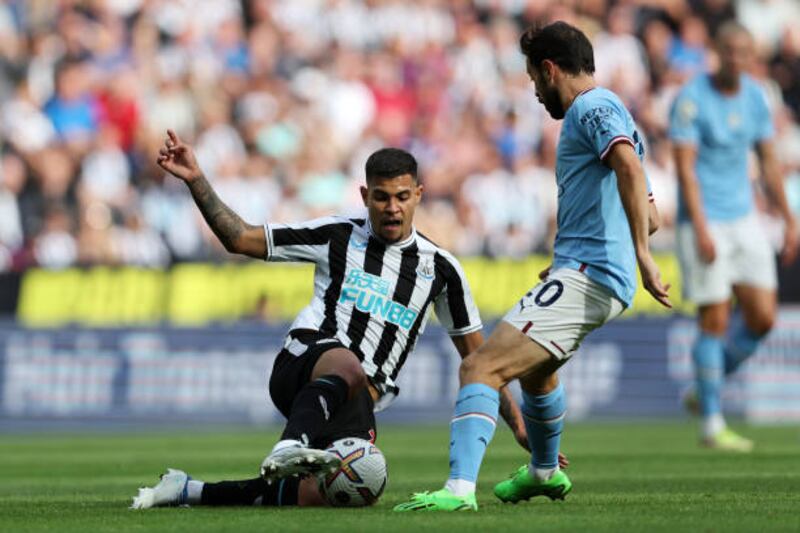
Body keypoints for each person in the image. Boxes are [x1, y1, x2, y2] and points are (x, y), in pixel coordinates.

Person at [131, 131, 538, 509]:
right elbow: (239, 238)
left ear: (418, 195)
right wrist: (196, 179)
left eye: (401, 196)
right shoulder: (336, 236)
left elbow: (481, 363)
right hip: (306, 364)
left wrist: (519, 426)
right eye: (380, 197)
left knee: (340, 490)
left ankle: (187, 489)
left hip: (355, 404)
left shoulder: (442, 269)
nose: (391, 208)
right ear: (364, 195)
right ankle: (288, 446)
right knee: (348, 364)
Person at [394, 21, 669, 512]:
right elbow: (650, 215)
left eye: (534, 81)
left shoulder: (591, 107)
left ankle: (457, 491)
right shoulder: (620, 115)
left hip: (591, 274)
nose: (537, 94)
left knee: (481, 366)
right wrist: (591, 255)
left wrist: (634, 259)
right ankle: (544, 473)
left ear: (549, 69)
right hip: (592, 272)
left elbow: (627, 169)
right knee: (537, 374)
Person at [669, 21, 799, 452]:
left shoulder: (756, 97)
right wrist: (701, 227)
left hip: (744, 218)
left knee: (762, 317)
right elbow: (685, 169)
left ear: (751, 56)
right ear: (717, 52)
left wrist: (789, 217)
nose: (737, 59)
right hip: (704, 220)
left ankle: (703, 388)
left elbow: (768, 161)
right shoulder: (691, 99)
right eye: (729, 50)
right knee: (716, 319)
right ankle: (711, 422)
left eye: (744, 52)